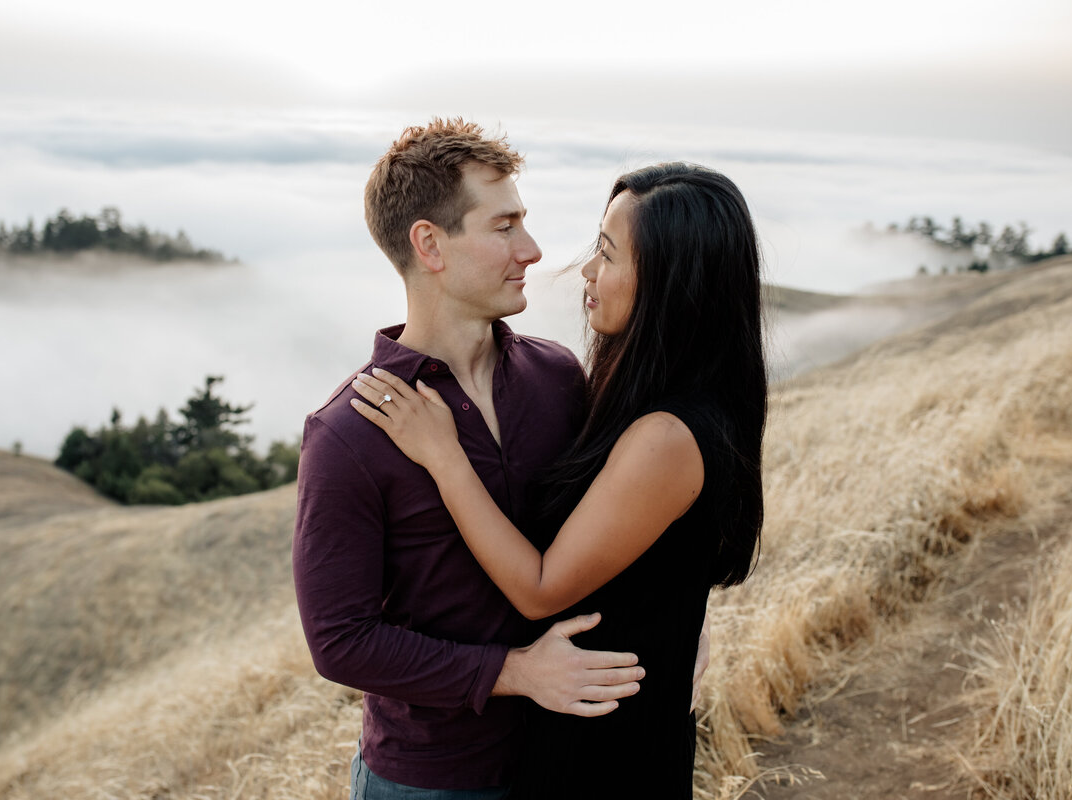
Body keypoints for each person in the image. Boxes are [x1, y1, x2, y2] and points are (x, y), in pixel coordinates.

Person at [350, 162, 768, 798]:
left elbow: (542, 589)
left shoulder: (666, 433)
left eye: (607, 253)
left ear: (673, 283)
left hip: (607, 752)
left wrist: (444, 457)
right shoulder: (629, 397)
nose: (586, 272)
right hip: (586, 725)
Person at [291, 119, 651, 800]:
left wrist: (692, 632)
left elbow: (616, 527)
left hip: (569, 753)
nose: (534, 250)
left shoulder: (557, 378)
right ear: (429, 244)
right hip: (431, 779)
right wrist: (515, 671)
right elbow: (339, 641)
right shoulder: (347, 435)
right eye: (504, 227)